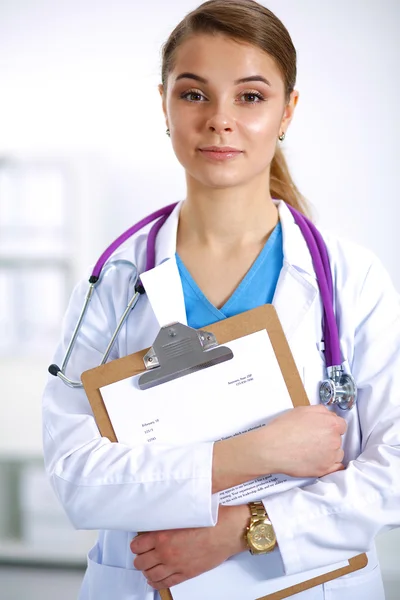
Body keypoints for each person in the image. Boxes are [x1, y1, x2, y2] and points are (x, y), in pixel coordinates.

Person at [42, 1, 400, 599]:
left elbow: (393, 466)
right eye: (194, 94)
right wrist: (252, 453)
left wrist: (247, 529)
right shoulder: (114, 283)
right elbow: (75, 475)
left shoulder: (349, 278)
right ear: (164, 104)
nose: (220, 120)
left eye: (251, 97)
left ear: (288, 111)